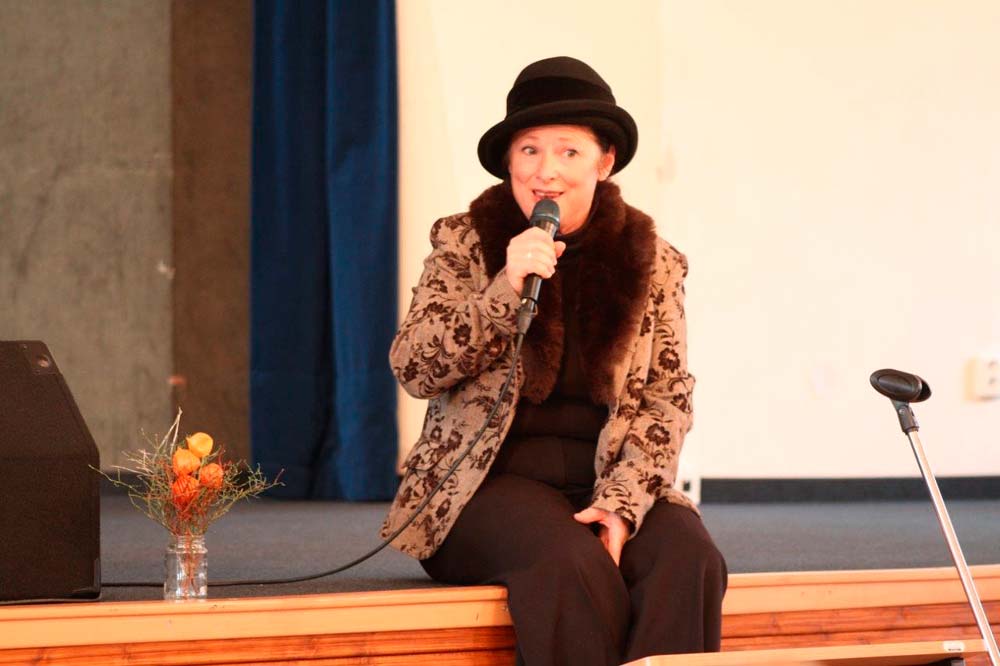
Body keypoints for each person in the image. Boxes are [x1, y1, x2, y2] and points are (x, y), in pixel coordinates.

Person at [381, 56, 727, 666]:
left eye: (569, 151)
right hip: (484, 486)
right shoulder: (466, 242)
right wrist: (503, 291)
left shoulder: (655, 260)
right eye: (530, 150)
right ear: (509, 162)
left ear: (604, 161)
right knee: (569, 561)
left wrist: (622, 503)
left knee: (689, 557)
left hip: (606, 476)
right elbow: (414, 367)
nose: (547, 171)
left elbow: (668, 398)